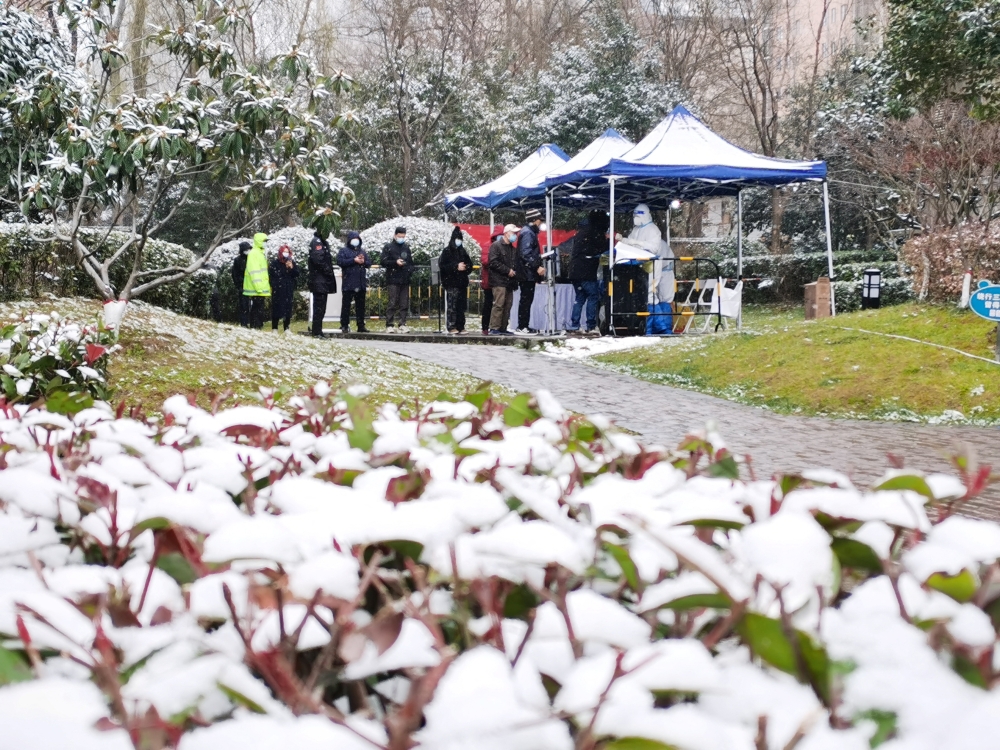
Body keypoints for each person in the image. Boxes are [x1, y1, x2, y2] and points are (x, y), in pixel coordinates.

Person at [567, 210, 608, 336]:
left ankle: (575, 325)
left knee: (579, 298)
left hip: (575, 271)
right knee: (593, 296)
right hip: (587, 271)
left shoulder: (581, 233)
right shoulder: (596, 233)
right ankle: (591, 325)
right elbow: (600, 249)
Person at [514, 208, 546, 335]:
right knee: (526, 300)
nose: (540, 224)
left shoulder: (527, 232)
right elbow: (525, 253)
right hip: (527, 274)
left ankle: (524, 325)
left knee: (526, 300)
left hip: (527, 272)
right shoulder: (528, 233)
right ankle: (522, 326)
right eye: (539, 221)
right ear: (534, 220)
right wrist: (536, 266)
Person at [487, 224, 520, 335]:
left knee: (508, 305)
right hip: (498, 280)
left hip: (510, 282)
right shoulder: (496, 246)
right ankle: (494, 327)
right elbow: (493, 262)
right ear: (506, 233)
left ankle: (503, 327)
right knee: (499, 304)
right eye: (513, 233)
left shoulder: (512, 249)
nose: (515, 235)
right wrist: (507, 270)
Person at [440, 226, 473, 334]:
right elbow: (443, 266)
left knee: (461, 306)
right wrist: (455, 267)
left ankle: (460, 326)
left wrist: (466, 267)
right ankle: (451, 326)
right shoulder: (447, 252)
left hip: (462, 283)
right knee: (452, 306)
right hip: (451, 283)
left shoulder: (463, 251)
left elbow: (470, 265)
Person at [337, 231, 371, 333]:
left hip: (360, 284)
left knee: (360, 306)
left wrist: (363, 261)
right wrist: (353, 260)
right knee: (346, 305)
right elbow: (340, 262)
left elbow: (369, 263)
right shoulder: (344, 251)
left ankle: (361, 325)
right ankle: (344, 325)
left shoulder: (362, 251)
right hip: (348, 283)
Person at [382, 226, 414, 333]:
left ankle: (402, 323)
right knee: (392, 302)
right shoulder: (388, 247)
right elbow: (383, 261)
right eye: (400, 236)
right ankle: (389, 324)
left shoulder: (406, 247)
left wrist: (409, 270)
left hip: (404, 279)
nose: (401, 238)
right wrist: (395, 263)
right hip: (393, 279)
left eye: (403, 236)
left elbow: (410, 263)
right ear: (395, 235)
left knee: (404, 303)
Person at [307, 230, 337, 336]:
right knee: (319, 307)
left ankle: (318, 330)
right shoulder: (317, 242)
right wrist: (328, 271)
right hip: (319, 280)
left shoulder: (323, 242)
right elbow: (318, 260)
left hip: (322, 281)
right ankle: (316, 331)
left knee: (321, 308)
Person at [242, 232, 271, 329]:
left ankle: (258, 325)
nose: (266, 243)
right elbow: (254, 271)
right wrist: (259, 287)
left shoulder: (260, 253)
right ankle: (256, 325)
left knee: (259, 307)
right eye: (264, 241)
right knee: (257, 307)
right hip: (256, 287)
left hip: (260, 287)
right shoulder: (254, 254)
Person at [269, 244, 298, 332]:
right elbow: (273, 275)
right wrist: (276, 285)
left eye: (287, 252)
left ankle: (286, 327)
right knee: (276, 308)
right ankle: (275, 327)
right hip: (278, 289)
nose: (286, 253)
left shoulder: (291, 262)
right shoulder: (275, 263)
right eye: (284, 252)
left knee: (287, 308)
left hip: (288, 289)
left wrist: (291, 268)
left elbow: (297, 274)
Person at [480, 231, 499, 335]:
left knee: (498, 304)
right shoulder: (488, 245)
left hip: (499, 280)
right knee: (488, 304)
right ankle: (485, 327)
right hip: (489, 280)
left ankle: (496, 326)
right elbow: (485, 261)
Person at [231, 241, 252, 327]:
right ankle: (244, 323)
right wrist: (239, 285)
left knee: (251, 305)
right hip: (242, 286)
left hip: (251, 285)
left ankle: (251, 322)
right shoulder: (237, 260)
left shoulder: (252, 258)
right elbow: (235, 274)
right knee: (244, 305)